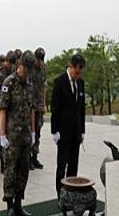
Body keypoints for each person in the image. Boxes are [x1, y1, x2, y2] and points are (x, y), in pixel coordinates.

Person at [0, 50, 36, 216]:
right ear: (19, 65)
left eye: (29, 69)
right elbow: (3, 110)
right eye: (25, 68)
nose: (26, 72)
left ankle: (20, 204)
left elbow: (32, 109)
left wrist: (34, 131)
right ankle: (10, 206)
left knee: (23, 170)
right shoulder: (9, 82)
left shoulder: (30, 83)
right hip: (12, 136)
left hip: (26, 135)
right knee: (10, 171)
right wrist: (2, 135)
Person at [51, 53, 86, 198]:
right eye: (76, 72)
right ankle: (61, 194)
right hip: (63, 132)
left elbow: (81, 109)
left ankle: (71, 193)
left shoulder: (80, 83)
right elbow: (55, 108)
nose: (77, 75)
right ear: (70, 67)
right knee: (62, 165)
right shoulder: (59, 82)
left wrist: (82, 130)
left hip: (76, 132)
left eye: (80, 73)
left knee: (73, 165)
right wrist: (55, 131)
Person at [29, 47, 47, 170]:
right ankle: (28, 158)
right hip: (30, 105)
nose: (39, 61)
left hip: (39, 105)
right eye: (38, 59)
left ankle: (34, 157)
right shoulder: (29, 69)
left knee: (38, 132)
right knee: (30, 131)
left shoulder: (43, 70)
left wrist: (44, 103)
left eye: (41, 59)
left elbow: (43, 87)